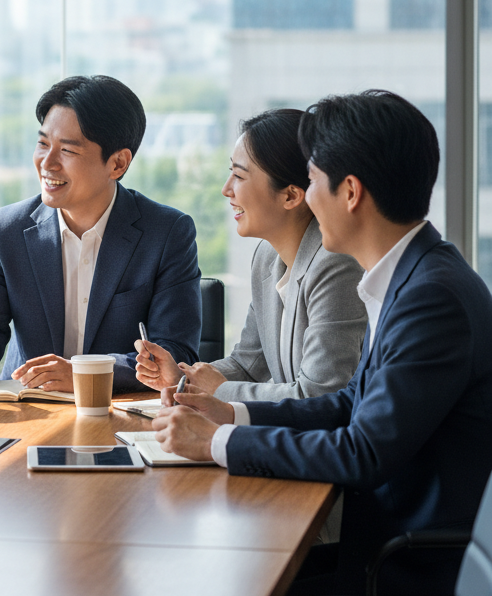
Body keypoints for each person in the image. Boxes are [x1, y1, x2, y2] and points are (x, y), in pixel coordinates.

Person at [150, 90, 492, 596]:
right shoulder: (411, 276)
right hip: (380, 539)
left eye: (311, 181)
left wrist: (216, 443)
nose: (307, 198)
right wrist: (229, 416)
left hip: (402, 562)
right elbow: (348, 404)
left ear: (349, 191)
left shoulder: (430, 297)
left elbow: (363, 451)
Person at [0, 74, 201, 393]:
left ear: (117, 163)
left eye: (67, 150)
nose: (46, 163)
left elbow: (175, 355)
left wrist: (84, 374)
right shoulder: (5, 230)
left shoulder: (166, 233)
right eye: (42, 144)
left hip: (116, 417)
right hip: (28, 415)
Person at [135, 109, 366, 402]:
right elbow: (246, 365)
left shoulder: (336, 265)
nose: (226, 189)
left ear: (291, 196)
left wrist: (216, 391)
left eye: (239, 176)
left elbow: (318, 394)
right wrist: (183, 380)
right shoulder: (267, 257)